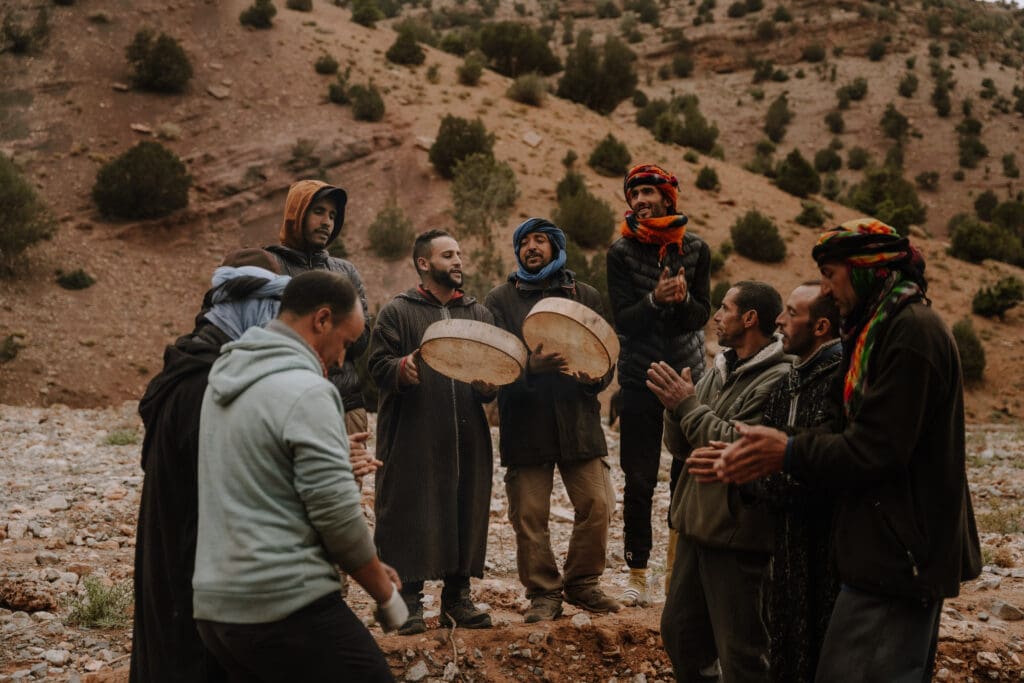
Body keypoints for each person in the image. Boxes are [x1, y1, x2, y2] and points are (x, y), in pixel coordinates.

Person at [715, 219, 982, 681]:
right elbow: (837, 428)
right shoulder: (875, 330)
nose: (826, 289)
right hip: (879, 550)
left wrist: (788, 452)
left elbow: (877, 448)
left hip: (902, 555)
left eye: (830, 276)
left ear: (864, 271)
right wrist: (764, 454)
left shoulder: (911, 331)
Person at [192, 271, 406, 682]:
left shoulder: (226, 382)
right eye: (345, 343)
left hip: (217, 612)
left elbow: (261, 483)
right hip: (283, 604)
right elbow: (337, 516)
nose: (343, 360)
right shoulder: (307, 390)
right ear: (322, 319)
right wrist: (384, 593)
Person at [130, 249, 289, 683]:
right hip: (195, 580)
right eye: (272, 311)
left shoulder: (193, 365)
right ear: (249, 306)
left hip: (180, 571)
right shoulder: (207, 382)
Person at [649, 281, 789, 682]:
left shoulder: (778, 378)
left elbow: (740, 446)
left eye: (725, 308)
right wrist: (675, 410)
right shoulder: (719, 369)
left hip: (738, 535)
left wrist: (688, 405)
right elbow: (683, 446)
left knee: (742, 652)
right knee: (680, 634)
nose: (716, 316)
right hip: (696, 526)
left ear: (749, 318)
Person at [484, 218, 620, 623]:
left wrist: (595, 376)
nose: (531, 247)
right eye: (524, 241)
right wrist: (531, 366)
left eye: (539, 240)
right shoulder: (501, 299)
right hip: (525, 423)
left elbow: (605, 355)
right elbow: (495, 361)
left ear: (555, 246)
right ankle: (543, 593)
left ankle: (582, 582)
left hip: (578, 421)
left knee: (597, 503)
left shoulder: (585, 295)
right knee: (529, 514)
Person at [368, 229, 496, 635]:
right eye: (447, 255)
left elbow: (491, 371)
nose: (458, 261)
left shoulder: (478, 314)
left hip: (467, 434)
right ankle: (407, 603)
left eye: (459, 253)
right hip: (412, 434)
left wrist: (490, 385)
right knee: (409, 506)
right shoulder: (397, 312)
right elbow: (376, 367)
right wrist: (400, 369)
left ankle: (457, 600)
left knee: (465, 505)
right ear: (424, 264)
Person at [606, 163, 711, 606]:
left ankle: (676, 575)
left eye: (648, 192)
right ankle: (637, 572)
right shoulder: (620, 252)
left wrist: (684, 299)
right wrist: (654, 300)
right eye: (634, 195)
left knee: (687, 474)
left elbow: (702, 315)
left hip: (688, 377)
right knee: (640, 476)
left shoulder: (697, 249)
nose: (640, 201)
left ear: (668, 198)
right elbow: (623, 320)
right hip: (639, 375)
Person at [755, 283, 843, 683]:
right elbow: (760, 461)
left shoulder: (839, 383)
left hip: (828, 552)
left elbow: (829, 473)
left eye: (791, 312)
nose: (779, 320)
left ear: (821, 325)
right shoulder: (786, 384)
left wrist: (757, 476)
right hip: (783, 549)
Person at [266, 179, 371, 439]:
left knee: (347, 479)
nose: (327, 222)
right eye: (318, 211)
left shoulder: (345, 272)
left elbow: (363, 339)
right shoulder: (270, 266)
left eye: (333, 215)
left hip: (345, 405)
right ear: (296, 213)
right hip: (287, 406)